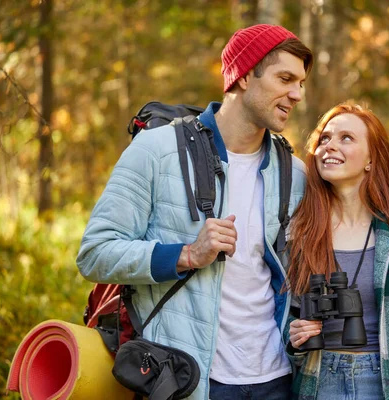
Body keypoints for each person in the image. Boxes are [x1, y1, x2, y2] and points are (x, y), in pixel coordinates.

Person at [77, 24, 313, 400]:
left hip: (277, 379)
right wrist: (187, 254)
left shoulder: (295, 173)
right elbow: (94, 254)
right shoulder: (156, 150)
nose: (297, 94)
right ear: (245, 74)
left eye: (301, 83)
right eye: (285, 78)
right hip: (190, 380)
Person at [285, 103, 389, 399]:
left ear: (372, 158)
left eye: (346, 138)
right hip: (318, 377)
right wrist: (295, 337)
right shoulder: (300, 232)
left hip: (388, 378)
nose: (330, 145)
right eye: (324, 138)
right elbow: (280, 314)